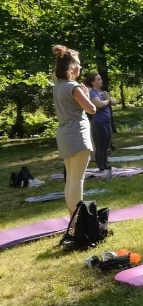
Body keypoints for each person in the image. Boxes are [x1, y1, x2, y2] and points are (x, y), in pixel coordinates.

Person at [52, 45, 96, 221]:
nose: (80, 67)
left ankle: (73, 217)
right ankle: (78, 219)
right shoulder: (73, 86)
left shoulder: (58, 85)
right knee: (77, 180)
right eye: (78, 64)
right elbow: (91, 109)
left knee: (71, 179)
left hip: (64, 135)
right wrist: (85, 93)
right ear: (71, 67)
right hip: (77, 134)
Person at [84, 72, 117, 176]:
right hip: (98, 122)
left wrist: (108, 98)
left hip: (107, 122)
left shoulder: (102, 92)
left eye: (101, 79)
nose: (101, 81)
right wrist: (108, 99)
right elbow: (99, 104)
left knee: (106, 144)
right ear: (92, 82)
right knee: (100, 145)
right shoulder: (93, 93)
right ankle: (101, 167)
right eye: (98, 79)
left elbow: (114, 102)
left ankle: (105, 165)